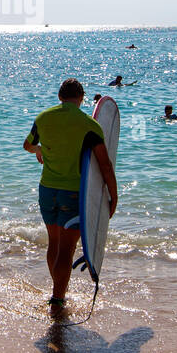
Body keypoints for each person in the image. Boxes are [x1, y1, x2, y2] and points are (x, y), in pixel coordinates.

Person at [23, 78, 118, 309]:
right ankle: (57, 299)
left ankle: (57, 289)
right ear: (82, 98)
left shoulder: (43, 118)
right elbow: (104, 165)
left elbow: (27, 145)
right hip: (73, 195)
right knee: (66, 249)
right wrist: (113, 197)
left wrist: (40, 150)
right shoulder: (89, 125)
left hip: (47, 190)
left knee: (54, 243)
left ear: (59, 97)